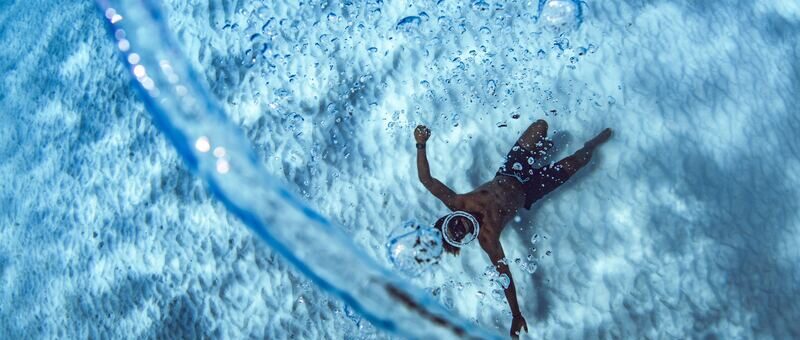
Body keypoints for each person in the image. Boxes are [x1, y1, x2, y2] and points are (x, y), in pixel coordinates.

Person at [414, 119, 612, 338]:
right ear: (465, 239)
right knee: (579, 160)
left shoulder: (458, 201)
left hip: (511, 169)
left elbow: (426, 180)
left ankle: (540, 153)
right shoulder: (488, 238)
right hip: (531, 190)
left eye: (455, 224)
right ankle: (591, 145)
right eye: (460, 234)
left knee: (541, 126)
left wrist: (420, 144)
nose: (462, 226)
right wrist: (516, 314)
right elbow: (504, 276)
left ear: (451, 216)